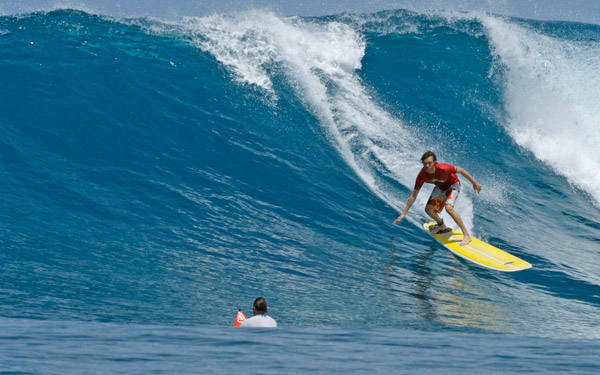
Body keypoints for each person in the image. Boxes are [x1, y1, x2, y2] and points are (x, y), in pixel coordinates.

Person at [393, 150, 481, 246]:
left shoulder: (443, 168)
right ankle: (441, 225)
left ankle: (466, 235)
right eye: (425, 163)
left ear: (434, 162)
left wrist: (474, 183)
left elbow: (461, 170)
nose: (427, 166)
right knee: (428, 209)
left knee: (449, 208)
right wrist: (404, 213)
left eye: (430, 163)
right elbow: (414, 194)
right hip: (440, 187)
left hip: (453, 185)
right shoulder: (421, 175)